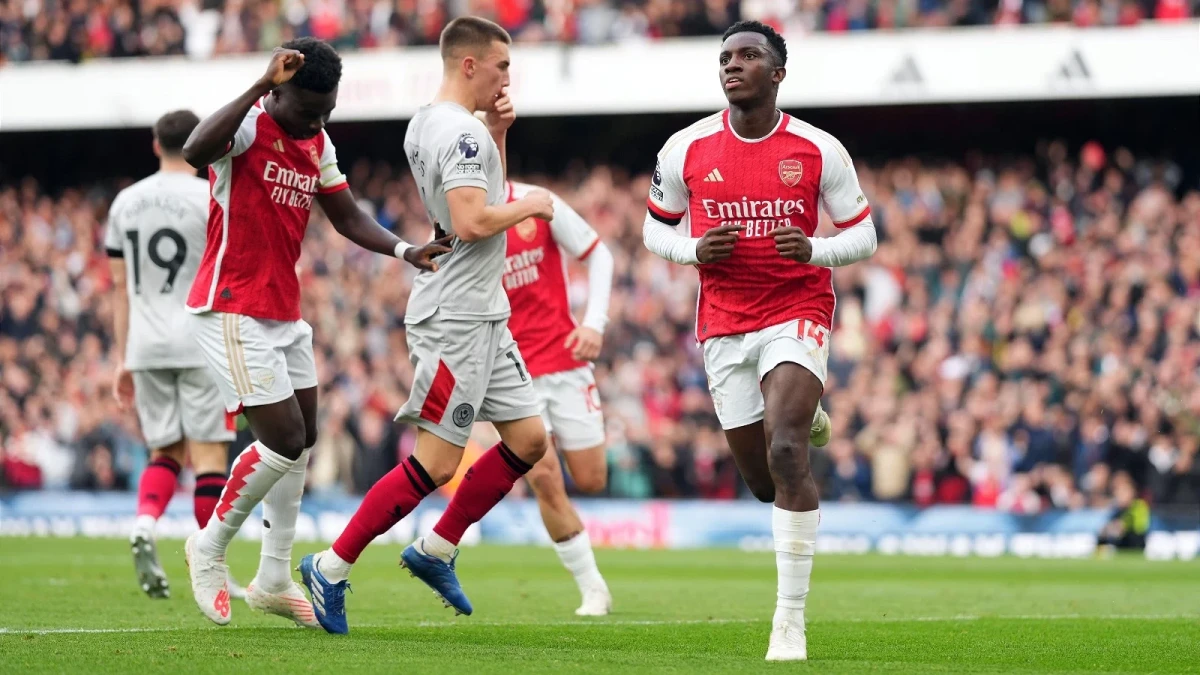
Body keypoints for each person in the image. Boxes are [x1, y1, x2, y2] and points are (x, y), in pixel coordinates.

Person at [179, 37, 450, 628]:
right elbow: (194, 150)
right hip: (231, 304)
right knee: (281, 438)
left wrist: (405, 249)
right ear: (276, 91)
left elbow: (347, 215)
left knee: (302, 442)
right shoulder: (247, 126)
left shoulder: (316, 141)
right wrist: (255, 83)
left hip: (282, 310)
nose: (317, 122)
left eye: (326, 111)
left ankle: (273, 578)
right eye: (307, 110)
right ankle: (208, 545)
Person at [299, 16, 555, 634]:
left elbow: (474, 193)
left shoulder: (432, 122)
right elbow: (470, 220)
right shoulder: (457, 130)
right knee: (439, 462)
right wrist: (534, 203)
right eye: (501, 65)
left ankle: (436, 548)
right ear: (469, 65)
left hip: (482, 309)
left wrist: (496, 132)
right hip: (457, 319)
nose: (506, 76)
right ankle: (330, 568)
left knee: (528, 440)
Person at [641, 21, 877, 661]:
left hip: (797, 308)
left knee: (787, 450)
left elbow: (865, 235)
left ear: (777, 73)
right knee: (763, 483)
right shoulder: (685, 148)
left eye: (748, 56)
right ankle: (802, 410)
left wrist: (816, 248)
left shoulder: (818, 148)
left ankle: (789, 620)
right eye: (725, 57)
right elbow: (651, 232)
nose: (732, 65)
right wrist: (691, 250)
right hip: (724, 322)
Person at [105, 109, 241, 601]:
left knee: (164, 451)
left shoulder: (124, 202)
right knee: (207, 457)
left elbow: (119, 288)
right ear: (198, 142)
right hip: (199, 337)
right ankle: (213, 569)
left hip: (144, 342)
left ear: (153, 143)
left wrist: (122, 357)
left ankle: (145, 521)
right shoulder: (209, 196)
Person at [501, 179, 614, 616]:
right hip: (511, 372)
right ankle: (593, 589)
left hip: (565, 362)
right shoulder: (456, 217)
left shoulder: (537, 202)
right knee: (544, 477)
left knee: (591, 479)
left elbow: (599, 253)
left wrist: (595, 323)